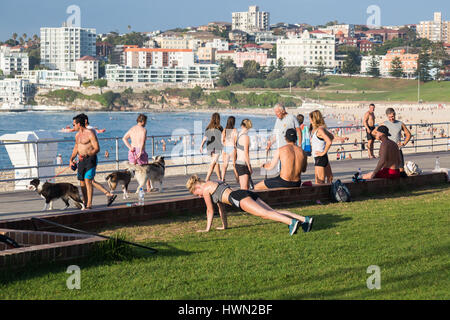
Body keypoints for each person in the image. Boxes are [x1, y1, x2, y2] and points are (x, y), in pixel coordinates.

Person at [186, 175, 314, 236]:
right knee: (271, 211)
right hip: (244, 192)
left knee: (265, 214)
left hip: (237, 198)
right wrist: (224, 226)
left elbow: (209, 211)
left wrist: (207, 229)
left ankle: (291, 222)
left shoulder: (206, 189)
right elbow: (221, 208)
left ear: (197, 186)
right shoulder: (215, 181)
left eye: (196, 193)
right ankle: (304, 220)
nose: (199, 196)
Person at [82, 114, 117, 206]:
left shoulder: (90, 130)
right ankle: (107, 194)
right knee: (90, 180)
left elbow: (92, 145)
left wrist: (86, 153)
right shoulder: (88, 129)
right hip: (88, 158)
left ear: (85, 121)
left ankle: (88, 202)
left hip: (90, 158)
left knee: (89, 180)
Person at [69, 114, 100, 210]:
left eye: (74, 124)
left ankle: (89, 204)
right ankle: (85, 201)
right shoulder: (77, 135)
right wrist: (71, 159)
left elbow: (97, 148)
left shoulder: (90, 133)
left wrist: (88, 154)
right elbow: (76, 148)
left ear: (79, 124)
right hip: (80, 160)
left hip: (90, 159)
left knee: (88, 181)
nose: (73, 126)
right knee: (82, 182)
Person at [378, 108, 411, 173]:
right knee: (387, 169)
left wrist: (403, 144)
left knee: (401, 169)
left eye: (393, 116)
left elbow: (408, 134)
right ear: (387, 116)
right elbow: (375, 133)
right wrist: (381, 140)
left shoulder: (400, 123)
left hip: (397, 149)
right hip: (387, 150)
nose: (391, 118)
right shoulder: (384, 124)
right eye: (389, 117)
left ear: (395, 115)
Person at [122, 114, 151, 191]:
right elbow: (141, 142)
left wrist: (130, 147)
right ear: (143, 121)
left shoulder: (132, 129)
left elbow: (124, 138)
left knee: (131, 169)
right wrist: (141, 151)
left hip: (132, 150)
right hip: (140, 150)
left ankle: (125, 187)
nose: (146, 123)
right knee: (145, 169)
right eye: (146, 121)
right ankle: (148, 187)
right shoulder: (143, 130)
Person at [309, 110, 335, 184]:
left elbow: (329, 142)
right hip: (322, 157)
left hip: (319, 157)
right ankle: (329, 194)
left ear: (314, 119)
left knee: (320, 181)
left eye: (310, 119)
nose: (310, 120)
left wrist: (323, 152)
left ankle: (322, 195)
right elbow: (331, 137)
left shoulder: (319, 130)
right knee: (330, 177)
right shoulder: (319, 129)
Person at [200, 113, 223, 181]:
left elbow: (205, 138)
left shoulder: (208, 127)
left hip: (209, 146)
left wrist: (201, 146)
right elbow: (223, 138)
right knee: (213, 163)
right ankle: (207, 178)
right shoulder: (220, 127)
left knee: (216, 162)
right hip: (217, 146)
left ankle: (220, 178)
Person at [234, 119, 253, 189]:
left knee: (244, 187)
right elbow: (246, 153)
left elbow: (235, 149)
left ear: (242, 125)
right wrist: (249, 166)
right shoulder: (246, 137)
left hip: (238, 163)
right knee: (245, 188)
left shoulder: (238, 134)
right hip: (243, 164)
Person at [221, 116, 238, 183]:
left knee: (225, 165)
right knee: (234, 165)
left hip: (225, 148)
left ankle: (222, 179)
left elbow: (222, 140)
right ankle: (237, 179)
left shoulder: (224, 130)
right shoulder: (234, 130)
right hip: (232, 148)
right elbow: (236, 140)